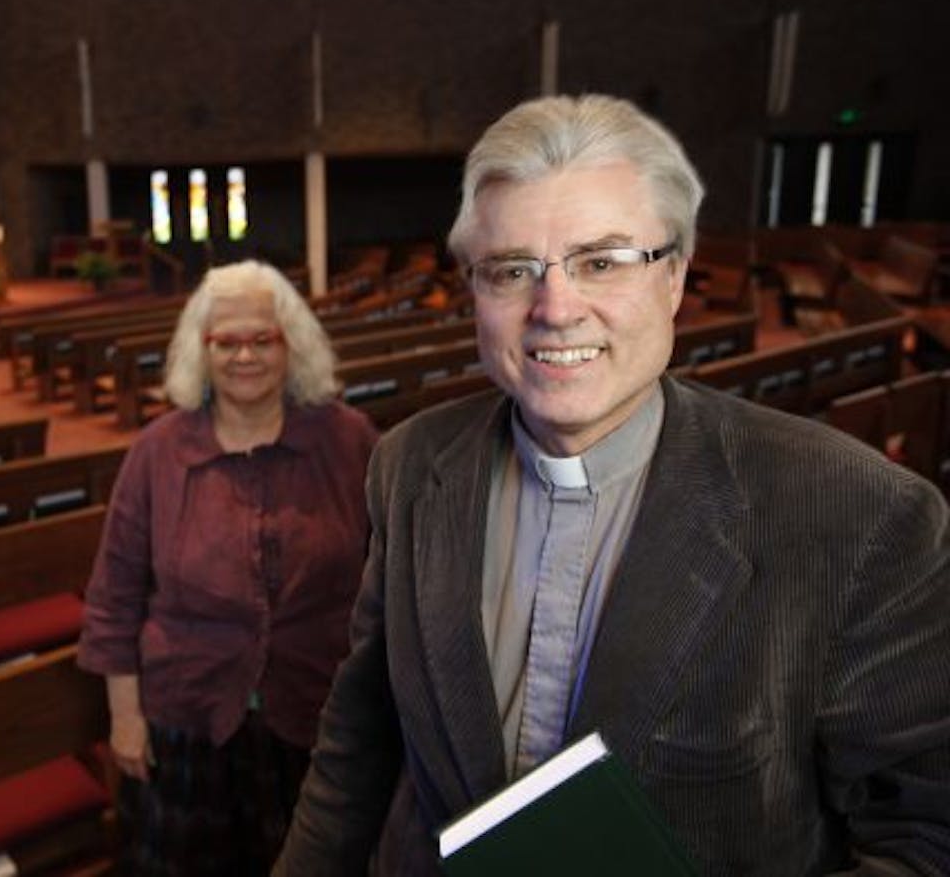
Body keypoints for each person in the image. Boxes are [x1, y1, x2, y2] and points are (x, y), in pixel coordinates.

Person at [275, 95, 950, 876]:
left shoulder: (860, 514)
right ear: (475, 292)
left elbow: (926, 836)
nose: (556, 308)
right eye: (513, 269)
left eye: (602, 260)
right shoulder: (409, 463)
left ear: (674, 278)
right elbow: (360, 736)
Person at [78, 259, 378, 877]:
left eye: (262, 338)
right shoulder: (157, 452)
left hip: (317, 714)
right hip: (187, 720)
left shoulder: (348, 441)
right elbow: (113, 596)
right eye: (227, 341)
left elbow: (388, 582)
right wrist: (125, 718)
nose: (245, 356)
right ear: (201, 348)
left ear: (290, 344)